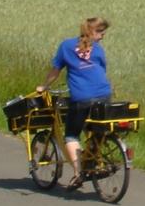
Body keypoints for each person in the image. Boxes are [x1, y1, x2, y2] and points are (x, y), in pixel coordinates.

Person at [36, 17, 112, 188]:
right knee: (96, 126)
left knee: (71, 134)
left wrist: (43, 86)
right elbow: (101, 70)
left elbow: (55, 71)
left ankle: (78, 174)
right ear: (90, 31)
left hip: (82, 97)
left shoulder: (66, 46)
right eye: (100, 32)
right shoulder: (97, 50)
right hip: (104, 94)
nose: (102, 37)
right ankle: (93, 159)